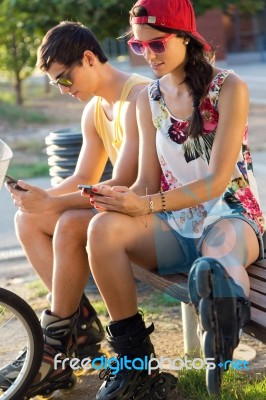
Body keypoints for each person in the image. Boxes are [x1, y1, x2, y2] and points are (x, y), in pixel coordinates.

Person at [85, 0, 265, 398]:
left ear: (185, 37)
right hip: (175, 221)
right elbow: (148, 181)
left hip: (229, 214)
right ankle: (134, 364)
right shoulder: (149, 97)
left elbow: (218, 182)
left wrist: (146, 206)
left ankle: (221, 331)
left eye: (158, 44)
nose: (148, 55)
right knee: (102, 230)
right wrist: (118, 199)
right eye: (139, 47)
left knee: (217, 258)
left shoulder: (228, 87)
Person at [2, 21, 151, 398]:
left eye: (64, 79)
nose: (64, 91)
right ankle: (75, 331)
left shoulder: (138, 98)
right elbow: (83, 177)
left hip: (148, 212)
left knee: (68, 222)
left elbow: (124, 179)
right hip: (118, 211)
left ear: (88, 58)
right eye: (56, 84)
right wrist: (40, 197)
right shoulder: (95, 110)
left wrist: (53, 202)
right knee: (27, 218)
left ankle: (52, 348)